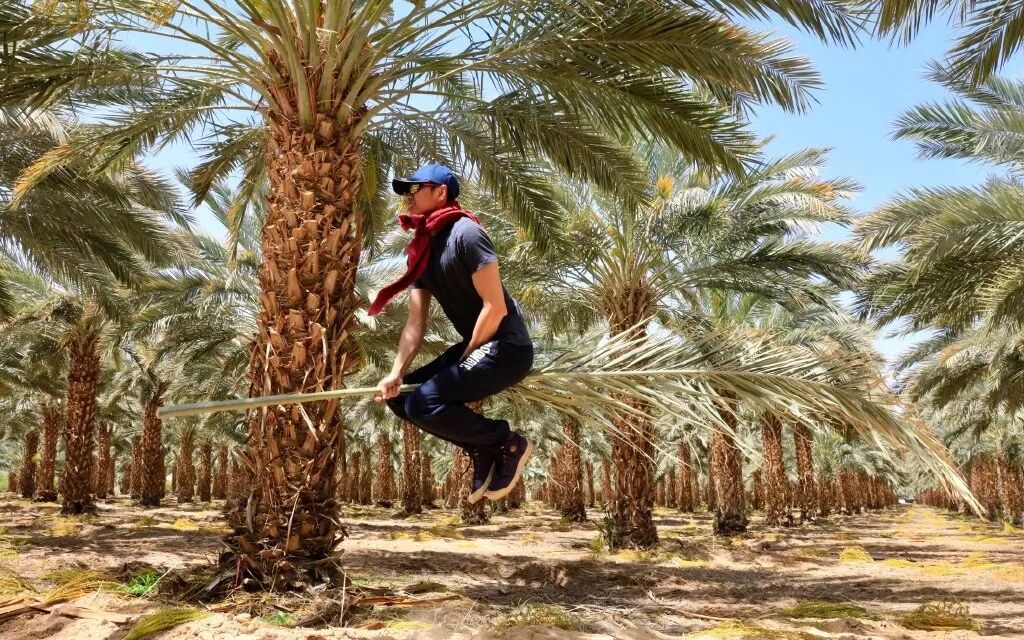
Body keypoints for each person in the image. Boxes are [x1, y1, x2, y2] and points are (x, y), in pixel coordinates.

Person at [371, 164, 534, 503]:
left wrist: (466, 356)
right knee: (400, 398)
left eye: (415, 189)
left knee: (424, 403)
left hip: (507, 346)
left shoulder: (467, 233)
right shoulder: (423, 252)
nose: (408, 197)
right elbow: (415, 324)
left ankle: (507, 441)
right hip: (476, 347)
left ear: (440, 192)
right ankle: (482, 447)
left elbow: (495, 308)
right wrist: (395, 373)